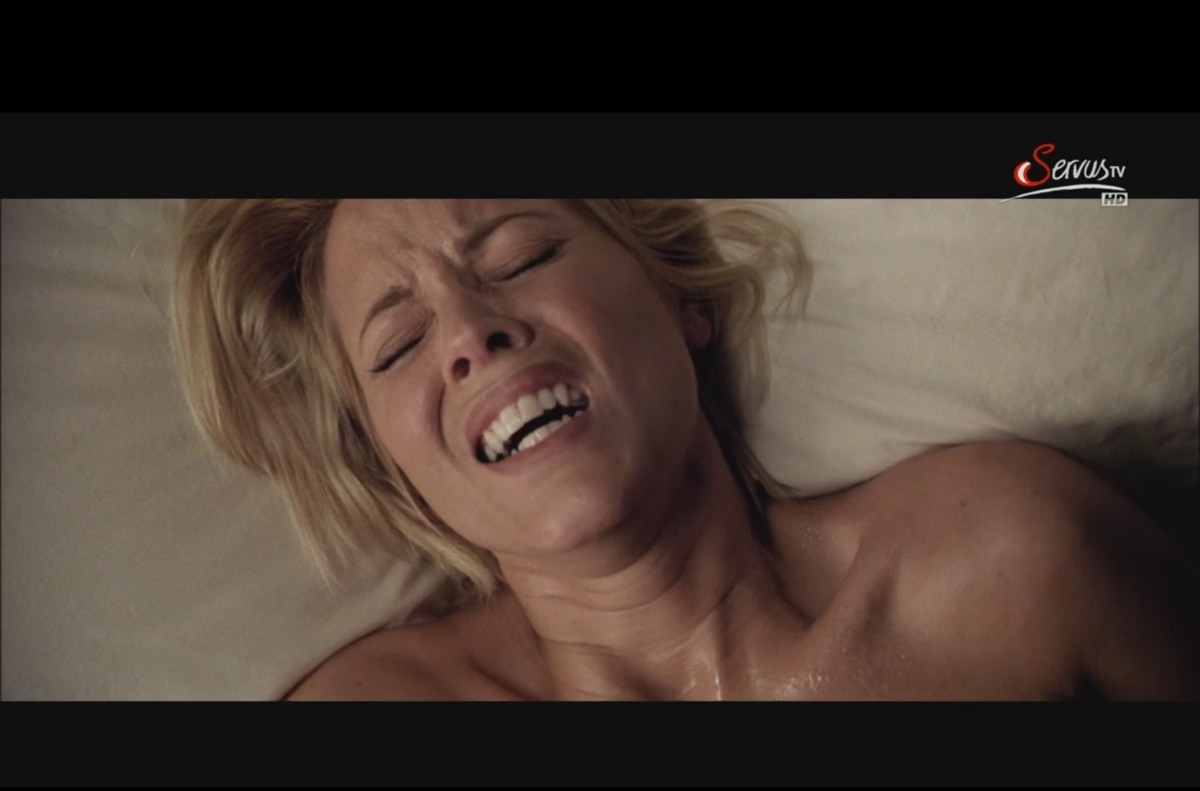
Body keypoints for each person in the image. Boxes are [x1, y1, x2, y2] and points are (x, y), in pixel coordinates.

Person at [173, 199, 1199, 700]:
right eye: (399, 344)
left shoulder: (1008, 564)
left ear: (678, 301)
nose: (469, 335)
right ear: (396, 470)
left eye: (523, 256)